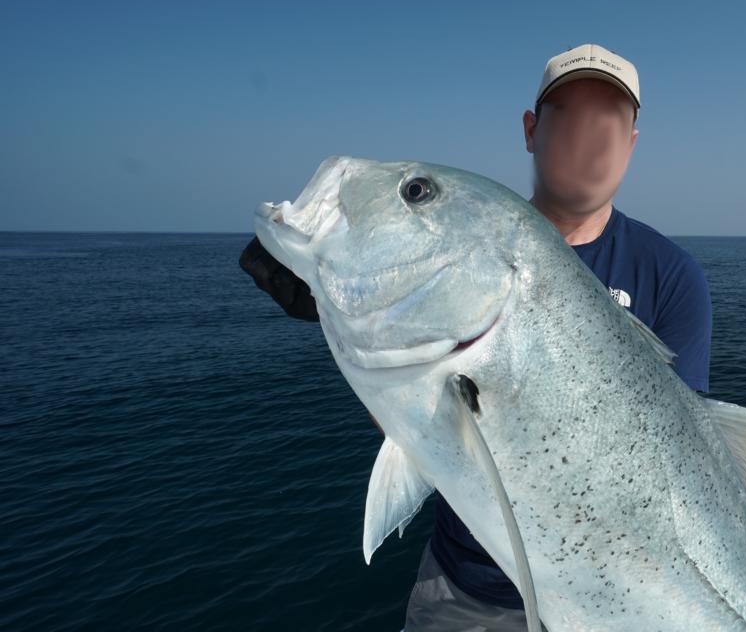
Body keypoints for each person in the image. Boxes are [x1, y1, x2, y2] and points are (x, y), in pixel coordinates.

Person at [239, 43, 713, 632]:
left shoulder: (671, 275)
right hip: (465, 595)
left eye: (609, 123)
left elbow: (691, 465)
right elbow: (417, 430)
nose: (589, 139)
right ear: (532, 130)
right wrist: (344, 314)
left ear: (632, 144)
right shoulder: (482, 230)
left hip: (623, 602)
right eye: (569, 116)